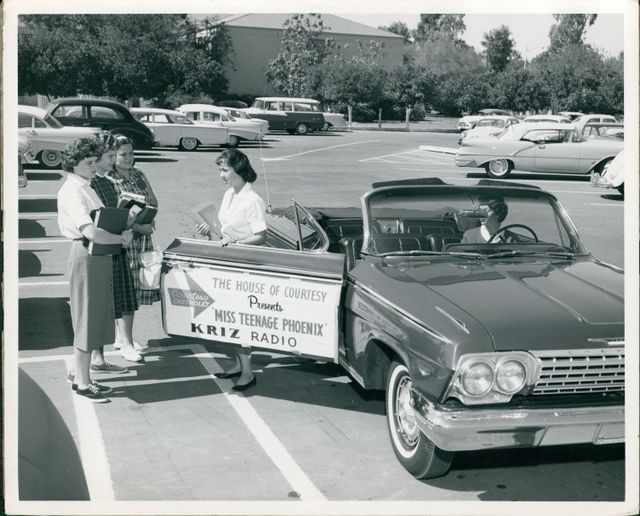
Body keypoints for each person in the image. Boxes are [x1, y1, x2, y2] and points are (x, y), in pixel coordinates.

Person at [57, 137, 132, 402]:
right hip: (86, 252)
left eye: (93, 161)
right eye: (88, 162)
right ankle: (82, 382)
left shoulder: (84, 185)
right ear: (73, 163)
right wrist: (120, 238)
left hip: (97, 255)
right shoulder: (73, 190)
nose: (93, 166)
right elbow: (90, 231)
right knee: (87, 317)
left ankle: (83, 376)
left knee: (96, 314)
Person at [195, 148, 267, 391]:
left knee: (240, 318)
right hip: (228, 262)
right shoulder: (229, 194)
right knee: (228, 316)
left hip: (244, 266)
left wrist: (236, 244)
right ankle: (238, 364)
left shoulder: (253, 200)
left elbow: (260, 236)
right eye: (220, 170)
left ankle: (248, 372)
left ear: (239, 170)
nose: (221, 175)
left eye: (225, 170)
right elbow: (224, 229)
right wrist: (210, 230)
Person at [105, 136, 160, 357]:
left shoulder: (139, 174)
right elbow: (114, 213)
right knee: (125, 288)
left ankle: (122, 336)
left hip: (142, 238)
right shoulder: (109, 179)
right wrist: (138, 225)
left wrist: (150, 216)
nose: (128, 158)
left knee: (135, 288)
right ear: (113, 156)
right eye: (123, 154)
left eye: (131, 153)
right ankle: (125, 340)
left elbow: (153, 200)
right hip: (124, 238)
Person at [90, 131, 141, 364]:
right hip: (101, 249)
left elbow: (113, 213)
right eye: (109, 155)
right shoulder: (91, 184)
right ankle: (98, 355)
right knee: (101, 304)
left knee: (122, 298)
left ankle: (124, 343)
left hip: (116, 246)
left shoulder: (107, 182)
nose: (113, 160)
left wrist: (128, 223)